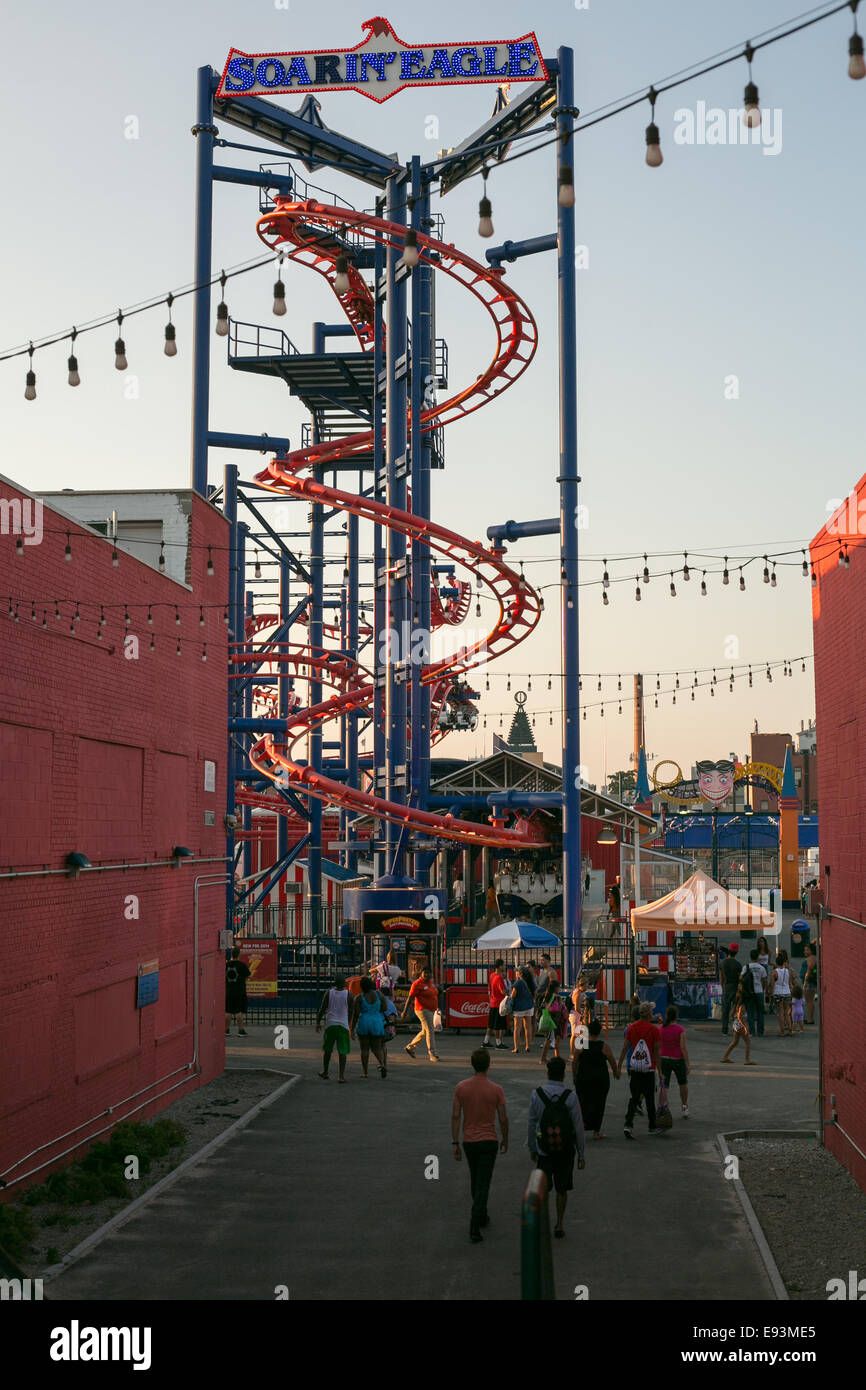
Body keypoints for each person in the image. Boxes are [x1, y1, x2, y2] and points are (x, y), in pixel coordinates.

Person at [452, 1049, 509, 1243]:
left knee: (476, 1179)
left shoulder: (461, 1088)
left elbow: (456, 1116)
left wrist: (455, 1142)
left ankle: (481, 1213)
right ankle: (475, 1223)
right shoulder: (496, 1089)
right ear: (489, 1065)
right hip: (489, 1140)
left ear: (472, 1064)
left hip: (469, 1140)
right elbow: (503, 1118)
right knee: (483, 1182)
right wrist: (505, 1138)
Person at [528, 1056, 586, 1239]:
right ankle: (559, 1224)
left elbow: (532, 1124)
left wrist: (532, 1147)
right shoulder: (571, 1097)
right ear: (563, 1075)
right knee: (562, 1189)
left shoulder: (537, 1094)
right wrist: (581, 1154)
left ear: (548, 1073)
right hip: (565, 1150)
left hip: (544, 1149)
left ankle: (544, 1221)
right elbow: (578, 1126)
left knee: (544, 1188)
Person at [617, 1001, 662, 1137]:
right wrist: (660, 1072)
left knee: (634, 1097)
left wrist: (619, 1066)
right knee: (649, 1098)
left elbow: (625, 1048)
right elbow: (656, 1053)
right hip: (649, 1068)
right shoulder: (654, 1030)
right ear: (649, 1014)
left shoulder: (631, 1028)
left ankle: (628, 1124)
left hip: (635, 1067)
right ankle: (652, 1126)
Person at [573, 1018, 619, 1137]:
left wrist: (574, 1076)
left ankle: (582, 1125)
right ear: (599, 1032)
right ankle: (596, 1131)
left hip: (583, 1077)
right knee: (599, 1103)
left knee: (582, 1102)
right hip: (600, 1078)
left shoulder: (582, 1043)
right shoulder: (603, 1046)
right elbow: (612, 1061)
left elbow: (575, 1061)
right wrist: (616, 1072)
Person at [315, 973, 352, 1082]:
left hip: (330, 1024)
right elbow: (352, 1011)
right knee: (342, 1051)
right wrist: (349, 1022)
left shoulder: (329, 993)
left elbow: (322, 1009)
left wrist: (318, 1022)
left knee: (327, 1050)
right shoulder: (349, 994)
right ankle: (341, 1076)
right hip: (343, 1025)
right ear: (344, 984)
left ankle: (325, 1072)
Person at [351, 976, 388, 1078]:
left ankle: (365, 1073)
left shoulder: (359, 998)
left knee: (364, 1049)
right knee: (377, 1048)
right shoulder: (379, 994)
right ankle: (382, 1064)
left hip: (364, 1022)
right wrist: (376, 1011)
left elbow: (355, 1015)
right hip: (377, 1022)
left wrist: (352, 1030)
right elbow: (385, 1007)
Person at [401, 967, 440, 1060]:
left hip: (431, 1010)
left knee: (425, 1031)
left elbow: (434, 994)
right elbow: (410, 998)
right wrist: (404, 1012)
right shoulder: (417, 984)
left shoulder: (431, 982)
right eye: (424, 973)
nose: (426, 975)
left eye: (428, 973)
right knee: (430, 1030)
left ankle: (410, 1047)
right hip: (422, 1010)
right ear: (421, 974)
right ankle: (432, 1054)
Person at [659, 1004, 691, 1117]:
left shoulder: (660, 1028)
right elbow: (683, 1047)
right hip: (678, 1059)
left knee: (664, 1085)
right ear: (676, 1016)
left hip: (664, 1058)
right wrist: (687, 1063)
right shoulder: (680, 1029)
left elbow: (658, 1045)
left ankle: (663, 1108)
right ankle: (684, 1106)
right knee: (683, 1083)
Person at [721, 987, 757, 1064]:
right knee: (747, 1042)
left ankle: (725, 1057)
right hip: (740, 1025)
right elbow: (740, 1017)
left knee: (735, 1042)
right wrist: (745, 1027)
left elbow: (731, 1014)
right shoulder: (742, 1006)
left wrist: (736, 1018)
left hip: (735, 1024)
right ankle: (747, 1060)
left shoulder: (735, 1005)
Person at [225, 946, 251, 1036]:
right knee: (239, 1011)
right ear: (239, 954)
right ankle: (240, 1030)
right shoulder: (242, 965)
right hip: (240, 990)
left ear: (231, 954)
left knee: (228, 1010)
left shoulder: (226, 965)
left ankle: (226, 1030)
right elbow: (248, 975)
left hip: (228, 990)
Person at [483, 958, 509, 1048]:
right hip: (499, 1003)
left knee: (491, 1024)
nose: (505, 966)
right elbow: (503, 991)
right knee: (497, 1025)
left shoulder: (492, 975)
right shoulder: (499, 978)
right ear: (500, 966)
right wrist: (508, 990)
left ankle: (486, 1041)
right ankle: (498, 1043)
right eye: (504, 965)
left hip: (493, 1002)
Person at [539, 990, 568, 1066]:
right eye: (558, 987)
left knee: (557, 1038)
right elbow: (548, 1008)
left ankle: (557, 1056)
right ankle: (543, 1058)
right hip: (551, 1021)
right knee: (549, 1039)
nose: (559, 989)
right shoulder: (550, 996)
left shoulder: (557, 997)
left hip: (557, 1020)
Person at [510, 966, 535, 1053]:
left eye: (517, 972)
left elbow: (513, 995)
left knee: (517, 1027)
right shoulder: (531, 981)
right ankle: (528, 1046)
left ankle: (516, 1047)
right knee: (528, 1027)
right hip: (529, 1006)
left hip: (519, 1007)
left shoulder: (518, 982)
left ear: (520, 973)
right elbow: (535, 992)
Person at [770, 950, 794, 1037]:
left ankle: (782, 1031)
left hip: (778, 993)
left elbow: (772, 985)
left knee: (780, 1013)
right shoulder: (788, 971)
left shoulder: (774, 972)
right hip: (787, 992)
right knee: (786, 1012)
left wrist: (770, 993)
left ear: (776, 963)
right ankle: (790, 1030)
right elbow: (790, 983)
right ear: (783, 962)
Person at [720, 943, 742, 1034]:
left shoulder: (723, 963)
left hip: (726, 987)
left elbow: (721, 978)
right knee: (737, 1009)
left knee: (725, 1009)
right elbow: (740, 978)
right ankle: (736, 1028)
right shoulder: (738, 964)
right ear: (736, 952)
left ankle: (724, 1029)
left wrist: (723, 987)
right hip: (735, 987)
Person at [801, 944, 818, 1024]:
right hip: (811, 982)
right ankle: (810, 1018)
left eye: (807, 950)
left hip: (809, 982)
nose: (805, 951)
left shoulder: (810, 958)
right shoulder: (814, 957)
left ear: (811, 951)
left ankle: (810, 1019)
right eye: (805, 950)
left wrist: (805, 981)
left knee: (809, 1001)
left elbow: (809, 969)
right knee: (810, 1001)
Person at [756, 936, 772, 1013]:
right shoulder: (757, 952)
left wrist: (775, 964)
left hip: (765, 968)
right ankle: (760, 1006)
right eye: (760, 942)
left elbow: (769, 962)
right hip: (759, 968)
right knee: (759, 987)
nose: (761, 943)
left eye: (762, 941)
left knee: (765, 987)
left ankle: (765, 1005)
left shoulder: (768, 951)